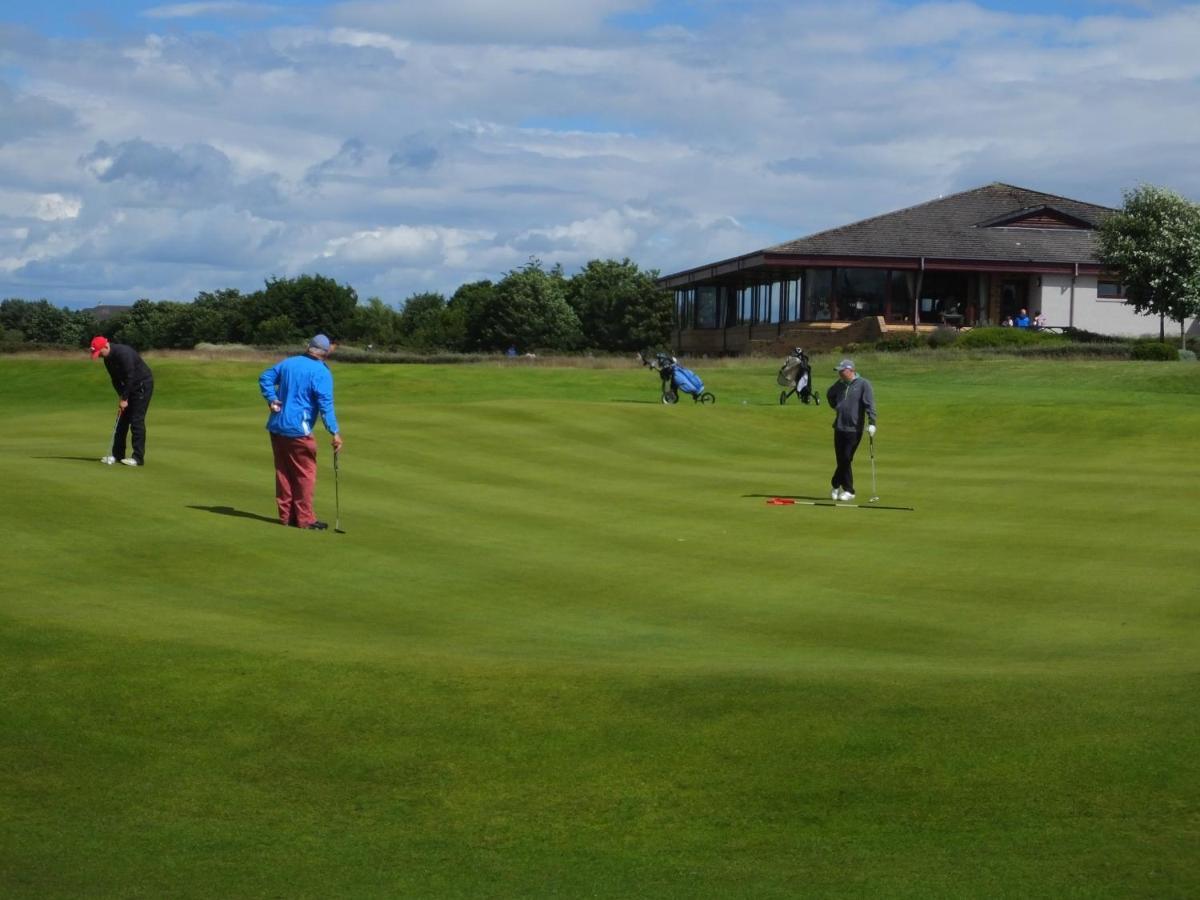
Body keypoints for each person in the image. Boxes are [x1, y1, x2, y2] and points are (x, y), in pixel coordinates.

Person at [258, 334, 344, 530]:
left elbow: (265, 377)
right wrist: (335, 432)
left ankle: (286, 516)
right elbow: (326, 405)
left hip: (277, 426)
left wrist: (272, 399)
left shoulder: (289, 363)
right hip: (299, 430)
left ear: (309, 347)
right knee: (305, 474)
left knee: (283, 472)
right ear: (325, 351)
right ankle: (305, 519)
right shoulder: (321, 372)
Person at [91, 336, 154, 467]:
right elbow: (115, 379)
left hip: (142, 385)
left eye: (99, 352)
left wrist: (125, 398)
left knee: (136, 420)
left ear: (106, 346)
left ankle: (137, 458)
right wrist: (122, 396)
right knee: (121, 420)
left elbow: (130, 376)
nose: (100, 356)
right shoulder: (107, 359)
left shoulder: (123, 353)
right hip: (129, 387)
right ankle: (117, 455)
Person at [825, 359, 877, 502]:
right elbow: (829, 394)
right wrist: (837, 406)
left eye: (842, 371)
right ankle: (846, 490)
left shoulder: (863, 384)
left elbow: (869, 404)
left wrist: (872, 423)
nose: (840, 374)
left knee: (847, 458)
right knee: (841, 459)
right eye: (839, 371)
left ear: (851, 370)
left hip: (854, 429)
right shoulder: (839, 385)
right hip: (839, 427)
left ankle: (839, 486)